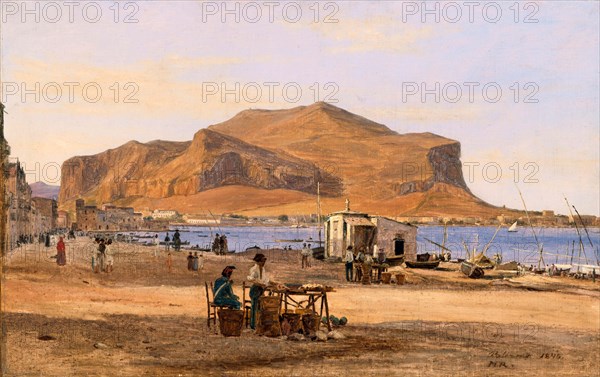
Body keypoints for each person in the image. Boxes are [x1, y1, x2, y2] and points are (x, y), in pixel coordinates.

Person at [247, 253, 270, 330]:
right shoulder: (254, 269)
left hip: (260, 290)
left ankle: (259, 324)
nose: (263, 263)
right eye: (262, 261)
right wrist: (260, 283)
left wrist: (273, 283)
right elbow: (250, 279)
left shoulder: (263, 269)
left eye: (264, 261)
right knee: (254, 307)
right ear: (258, 261)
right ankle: (253, 325)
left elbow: (265, 279)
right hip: (255, 290)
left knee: (260, 307)